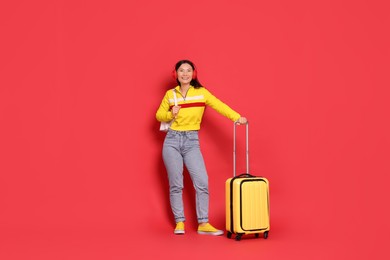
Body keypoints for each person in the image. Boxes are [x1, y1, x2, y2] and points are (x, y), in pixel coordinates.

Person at [156, 60, 247, 235]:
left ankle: (203, 223)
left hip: (191, 141)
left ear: (194, 74)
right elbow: (159, 115)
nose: (185, 74)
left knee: (202, 182)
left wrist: (237, 117)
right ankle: (180, 222)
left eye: (188, 70)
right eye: (181, 71)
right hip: (172, 141)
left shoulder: (201, 93)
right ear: (175, 74)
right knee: (176, 184)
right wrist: (170, 113)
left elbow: (219, 105)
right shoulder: (170, 94)